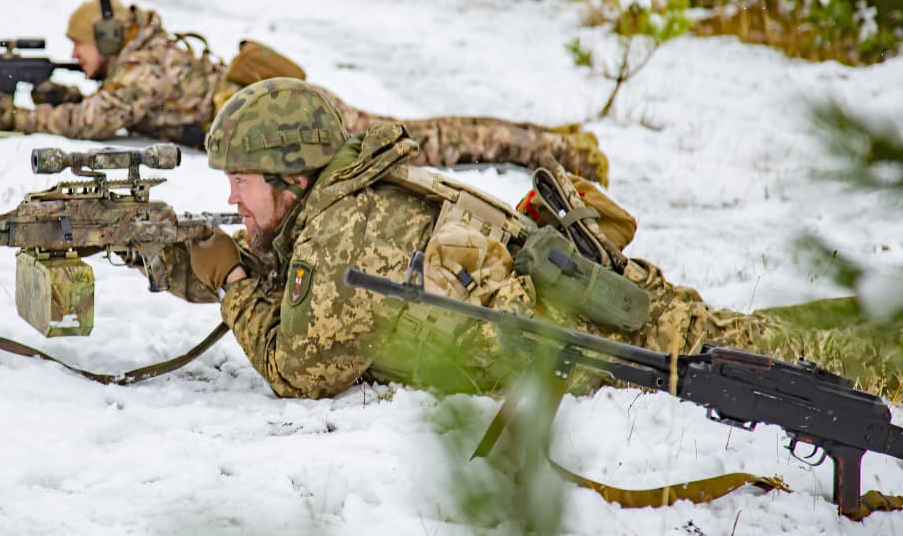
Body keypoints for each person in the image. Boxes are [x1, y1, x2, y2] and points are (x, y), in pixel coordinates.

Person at [179, 78, 894, 400]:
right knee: (748, 332)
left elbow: (301, 370)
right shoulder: (340, 203)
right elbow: (309, 291)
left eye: (242, 179)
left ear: (292, 177)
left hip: (598, 325)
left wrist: (232, 284)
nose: (232, 197)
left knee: (784, 358)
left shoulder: (344, 231)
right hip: (578, 302)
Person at [0, 0, 611, 183]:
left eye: (79, 45)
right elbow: (110, 110)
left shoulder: (150, 68)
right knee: (429, 135)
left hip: (295, 122)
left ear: (107, 36)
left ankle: (558, 151)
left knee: (428, 142)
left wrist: (16, 121)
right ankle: (549, 140)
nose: (72, 56)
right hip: (280, 116)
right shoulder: (143, 60)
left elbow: (94, 125)